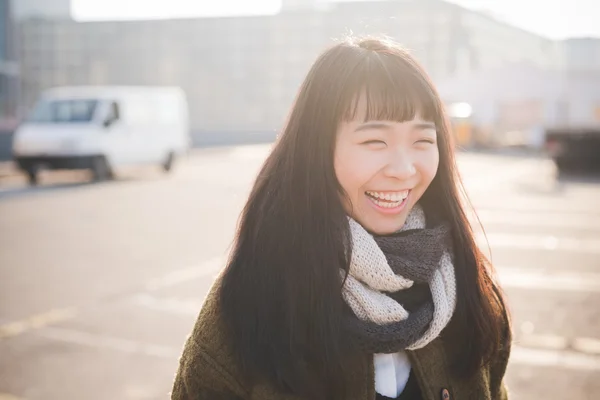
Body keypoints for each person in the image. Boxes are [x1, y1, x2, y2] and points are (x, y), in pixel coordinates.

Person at [171, 36, 512, 400]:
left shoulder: (469, 289)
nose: (403, 169)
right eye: (374, 142)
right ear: (316, 153)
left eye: (422, 141)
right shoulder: (248, 304)